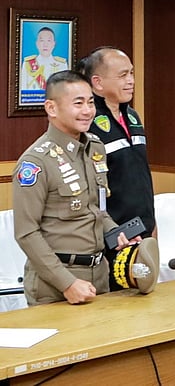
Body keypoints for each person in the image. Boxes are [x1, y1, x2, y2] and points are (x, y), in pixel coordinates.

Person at [13, 70, 132, 305]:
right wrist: (66, 283)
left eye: (90, 102)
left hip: (98, 274)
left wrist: (115, 231)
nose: (88, 111)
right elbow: (26, 233)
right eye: (78, 103)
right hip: (55, 282)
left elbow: (96, 208)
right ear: (52, 108)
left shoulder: (95, 148)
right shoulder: (35, 162)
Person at [77, 47, 156, 291]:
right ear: (97, 83)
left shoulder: (132, 116)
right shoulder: (87, 123)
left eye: (131, 73)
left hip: (143, 230)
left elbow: (140, 174)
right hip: (111, 237)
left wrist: (152, 226)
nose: (131, 80)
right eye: (123, 75)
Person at [21, 26, 68, 91]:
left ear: (54, 44)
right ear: (37, 44)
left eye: (49, 41)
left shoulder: (61, 64)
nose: (45, 44)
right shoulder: (27, 63)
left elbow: (64, 88)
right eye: (42, 40)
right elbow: (22, 87)